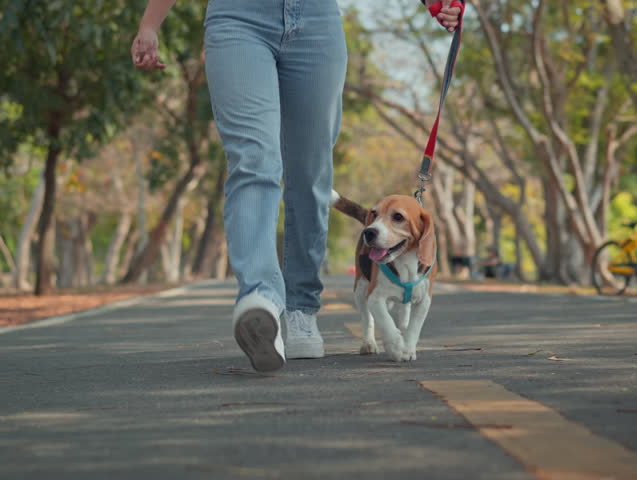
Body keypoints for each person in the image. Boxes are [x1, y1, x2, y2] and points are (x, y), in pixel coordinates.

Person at [132, 0, 462, 372]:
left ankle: (302, 307)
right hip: (238, 18)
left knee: (311, 176)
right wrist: (150, 23)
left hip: (317, 20)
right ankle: (260, 300)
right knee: (254, 160)